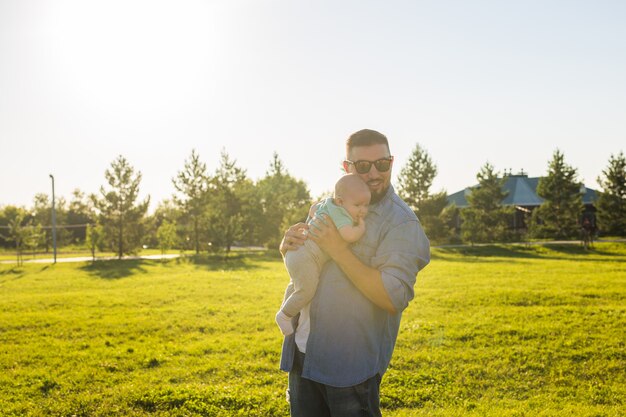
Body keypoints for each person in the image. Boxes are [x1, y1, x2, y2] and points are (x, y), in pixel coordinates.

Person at [278, 129, 430, 417]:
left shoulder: (402, 224)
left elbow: (391, 297)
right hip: (303, 353)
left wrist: (338, 249)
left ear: (391, 162)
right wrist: (287, 246)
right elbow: (305, 265)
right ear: (346, 167)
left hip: (349, 368)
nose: (374, 173)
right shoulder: (332, 204)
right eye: (363, 166)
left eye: (382, 164)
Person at [275, 174, 371, 336]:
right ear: (340, 202)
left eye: (366, 205)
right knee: (306, 290)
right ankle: (284, 315)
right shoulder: (341, 213)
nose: (362, 210)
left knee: (295, 285)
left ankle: (286, 309)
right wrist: (360, 228)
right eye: (358, 205)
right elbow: (348, 235)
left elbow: (312, 211)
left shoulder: (327, 203)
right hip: (307, 257)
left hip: (296, 252)